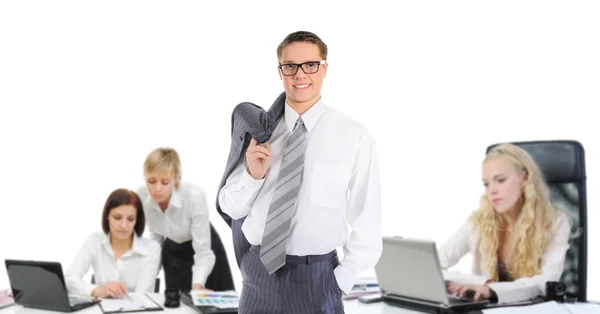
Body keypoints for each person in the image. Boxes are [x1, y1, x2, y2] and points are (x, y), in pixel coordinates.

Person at [218, 31, 382, 313]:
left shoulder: (354, 135)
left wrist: (342, 281)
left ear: (324, 68)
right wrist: (253, 176)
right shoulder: (259, 132)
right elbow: (229, 206)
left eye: (310, 64)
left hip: (318, 280)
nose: (300, 74)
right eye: (290, 66)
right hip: (258, 277)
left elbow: (368, 219)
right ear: (280, 71)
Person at [438, 143, 571, 304]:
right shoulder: (479, 221)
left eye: (500, 180)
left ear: (525, 177)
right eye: (486, 183)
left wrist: (492, 290)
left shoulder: (556, 223)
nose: (491, 190)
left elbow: (546, 281)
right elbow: (435, 265)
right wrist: (483, 284)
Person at [136, 147, 216, 293]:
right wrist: (142, 290)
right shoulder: (141, 195)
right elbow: (155, 238)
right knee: (175, 303)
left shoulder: (194, 196)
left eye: (165, 182)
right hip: (172, 250)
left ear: (176, 179)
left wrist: (198, 286)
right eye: (151, 181)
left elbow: (203, 252)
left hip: (203, 247)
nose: (157, 189)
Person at [65, 189, 161, 298]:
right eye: (117, 217)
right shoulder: (94, 240)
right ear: (107, 216)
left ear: (137, 220)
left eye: (130, 219)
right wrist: (98, 291)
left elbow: (142, 296)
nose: (124, 225)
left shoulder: (151, 248)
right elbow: (69, 278)